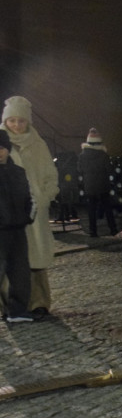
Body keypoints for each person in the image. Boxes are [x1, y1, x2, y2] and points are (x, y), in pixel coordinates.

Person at [1, 96, 58, 318]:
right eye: (12, 120)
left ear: (28, 122)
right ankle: (8, 306)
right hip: (5, 216)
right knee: (6, 261)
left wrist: (44, 199)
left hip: (33, 213)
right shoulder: (1, 142)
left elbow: (50, 177)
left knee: (35, 258)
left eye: (21, 121)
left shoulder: (38, 144)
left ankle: (38, 302)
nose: (16, 125)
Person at [0, 129, 36, 324]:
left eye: (2, 148)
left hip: (18, 231)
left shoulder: (19, 173)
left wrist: (28, 218)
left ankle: (18, 311)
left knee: (20, 272)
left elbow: (31, 199)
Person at [77, 128, 118, 237]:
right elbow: (109, 169)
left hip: (89, 186)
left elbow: (79, 170)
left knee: (91, 210)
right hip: (103, 185)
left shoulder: (82, 156)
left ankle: (93, 231)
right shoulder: (103, 155)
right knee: (108, 208)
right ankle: (113, 229)